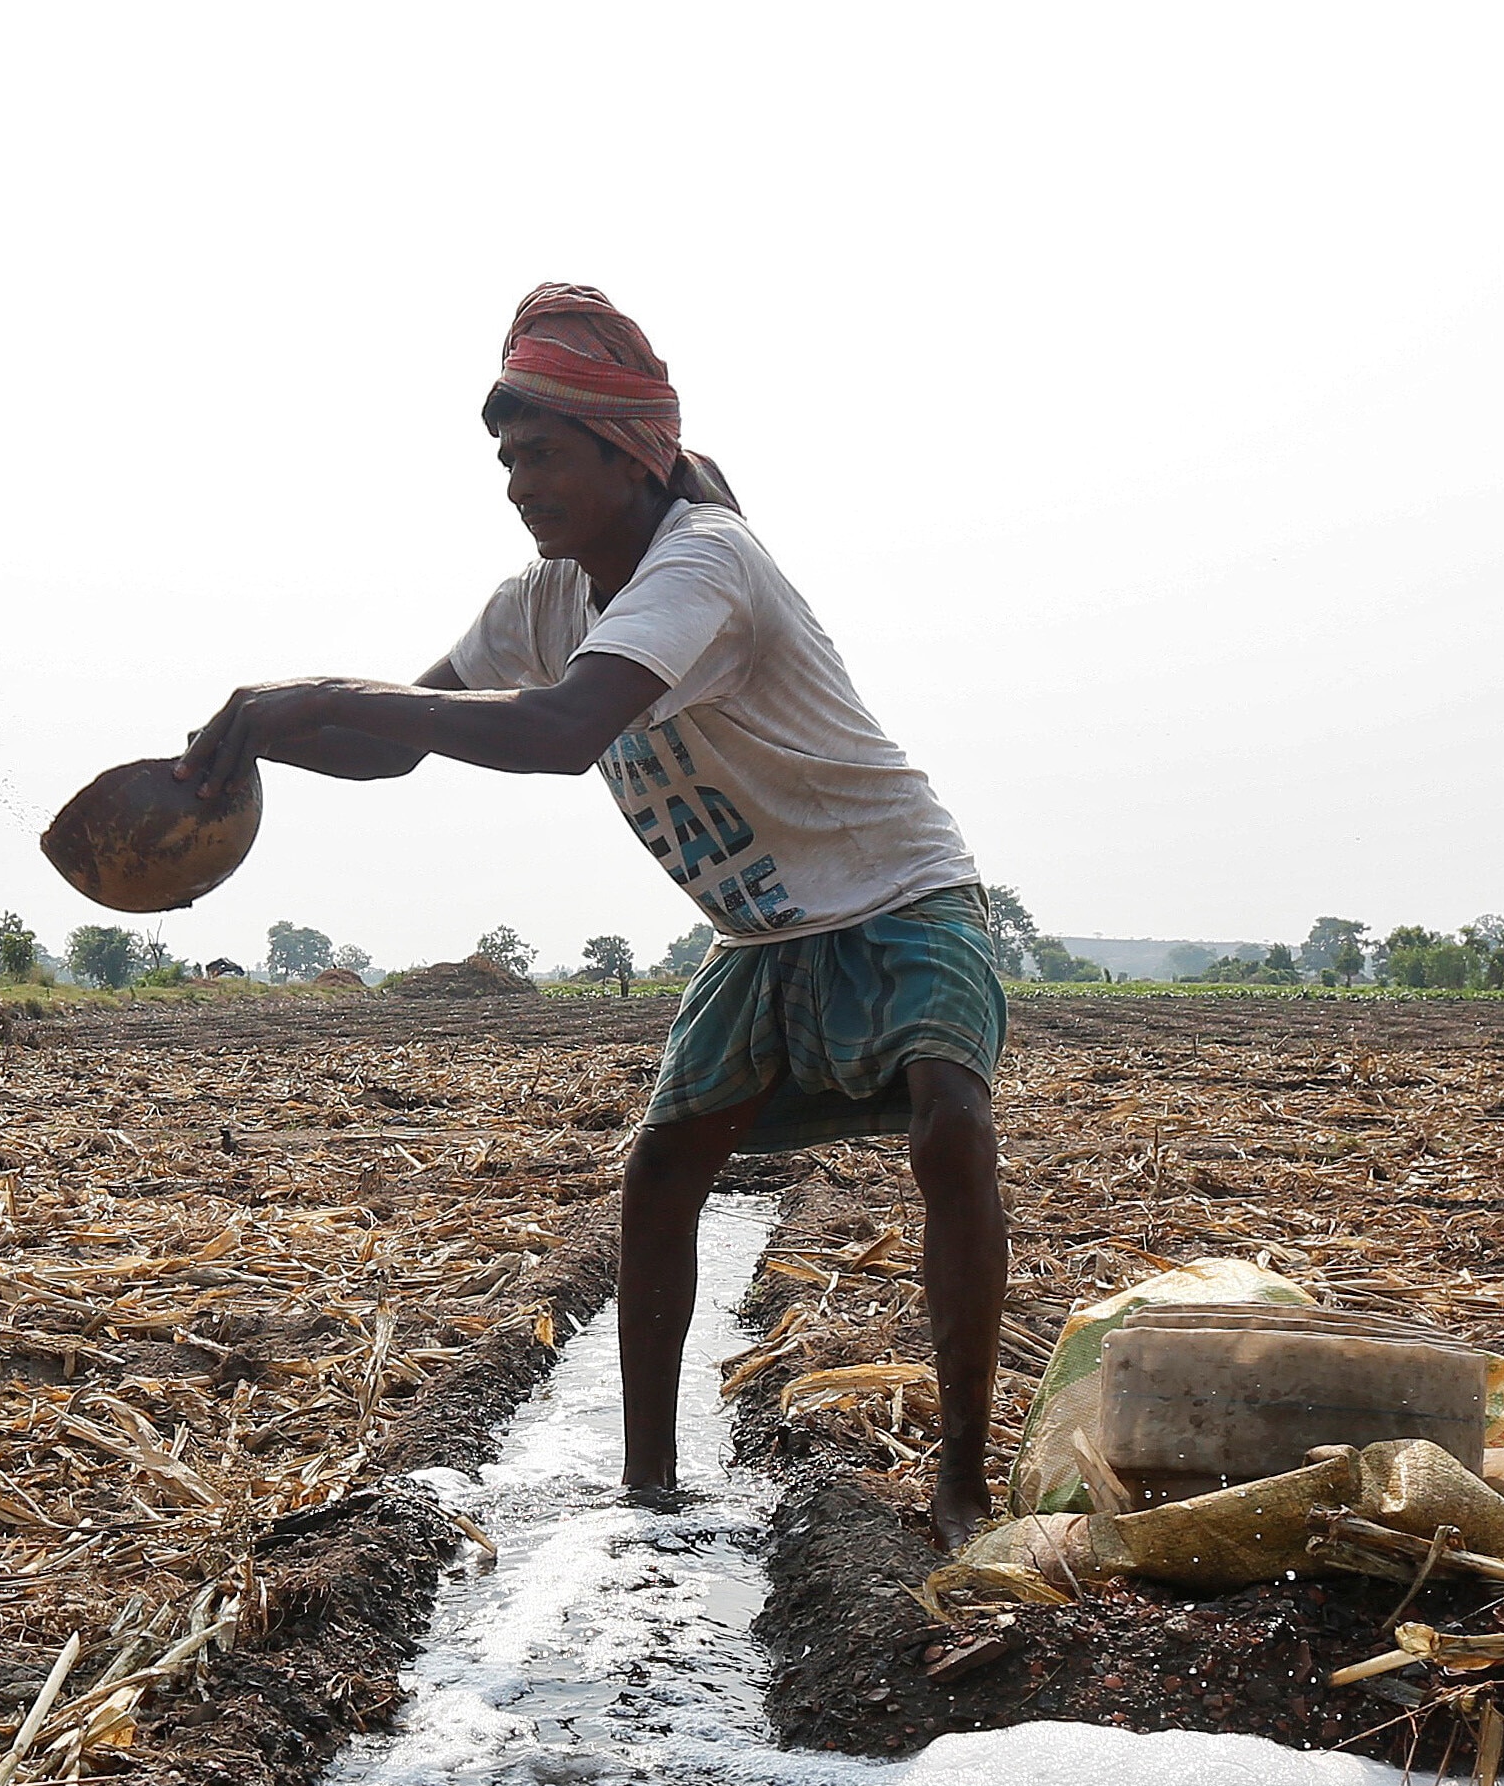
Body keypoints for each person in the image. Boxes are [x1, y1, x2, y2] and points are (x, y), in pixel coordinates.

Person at [184, 284, 1010, 1539]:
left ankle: (957, 1479)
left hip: (896, 892)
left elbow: (560, 734)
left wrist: (322, 689)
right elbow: (396, 746)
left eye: (543, 452)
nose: (519, 482)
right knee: (660, 1171)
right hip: (760, 935)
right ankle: (646, 1484)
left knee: (948, 1122)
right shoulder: (538, 601)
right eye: (506, 458)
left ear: (627, 454)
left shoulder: (703, 562)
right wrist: (252, 750)